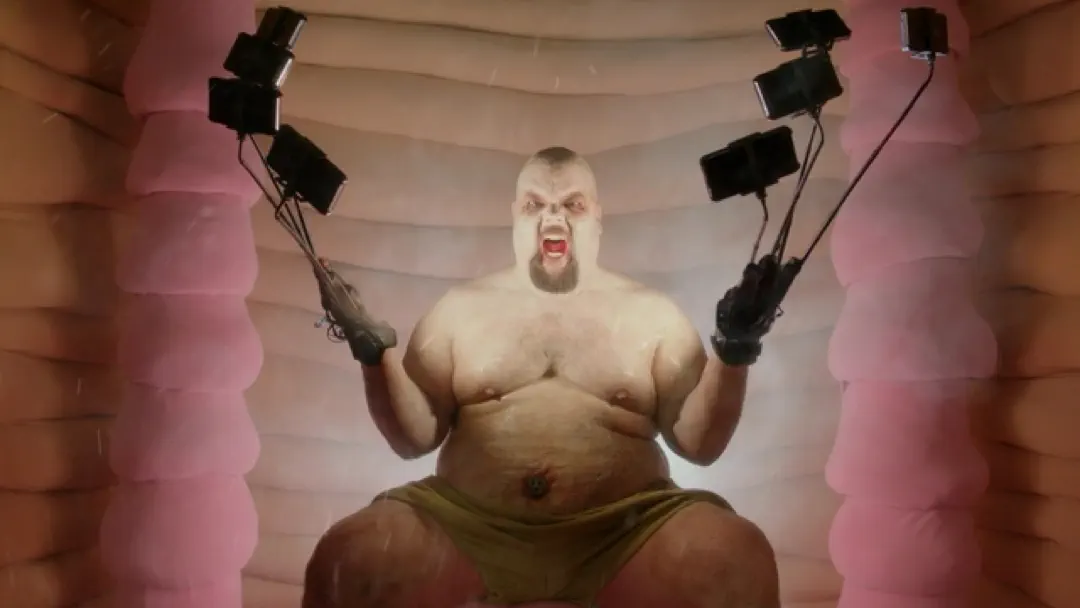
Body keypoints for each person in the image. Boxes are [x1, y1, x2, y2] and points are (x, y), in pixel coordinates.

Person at [302, 147, 781, 608]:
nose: (554, 218)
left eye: (573, 204)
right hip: (468, 523)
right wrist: (373, 354)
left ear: (598, 218)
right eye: (535, 205)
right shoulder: (460, 310)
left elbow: (699, 443)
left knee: (734, 559)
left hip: (626, 528)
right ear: (515, 217)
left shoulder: (653, 315)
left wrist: (734, 349)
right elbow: (413, 438)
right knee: (350, 556)